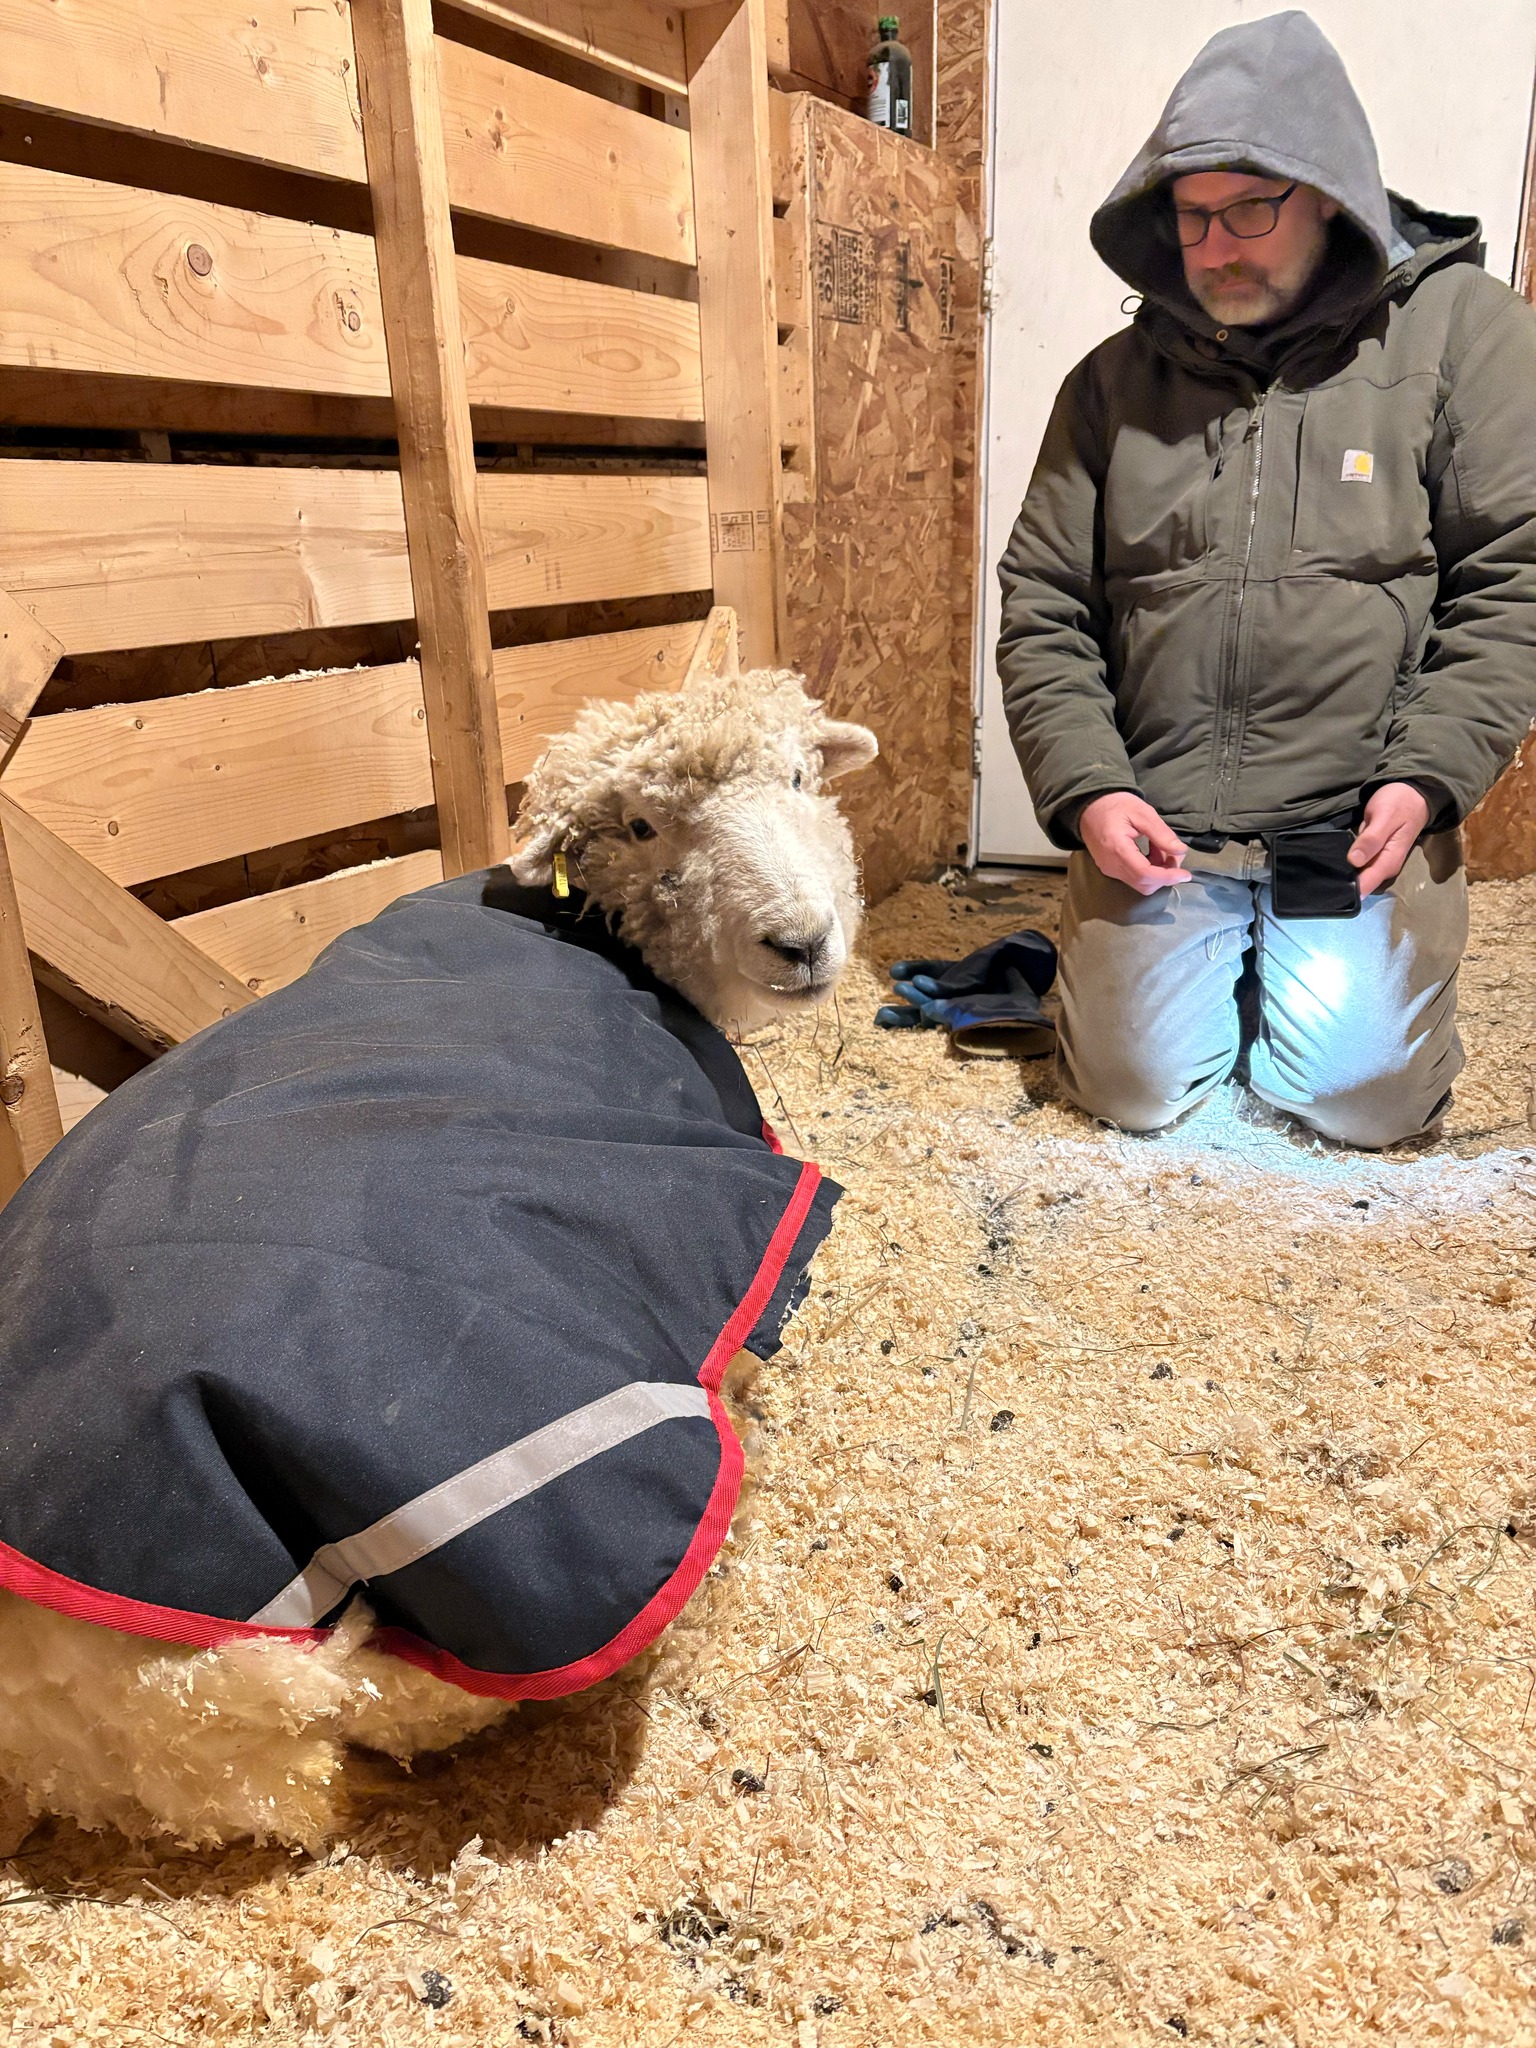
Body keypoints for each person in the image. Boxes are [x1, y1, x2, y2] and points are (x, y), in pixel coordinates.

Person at [996, 10, 1536, 1149]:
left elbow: (1512, 579)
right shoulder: (1108, 383)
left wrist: (1427, 778)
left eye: (1250, 209)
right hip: (1162, 823)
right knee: (1133, 1093)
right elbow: (1045, 603)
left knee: (1360, 1105)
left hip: (1351, 822)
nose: (1215, 249)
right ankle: (1198, 962)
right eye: (1191, 216)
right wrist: (1090, 791)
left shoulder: (1467, 333)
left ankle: (1305, 970)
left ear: (1330, 194)